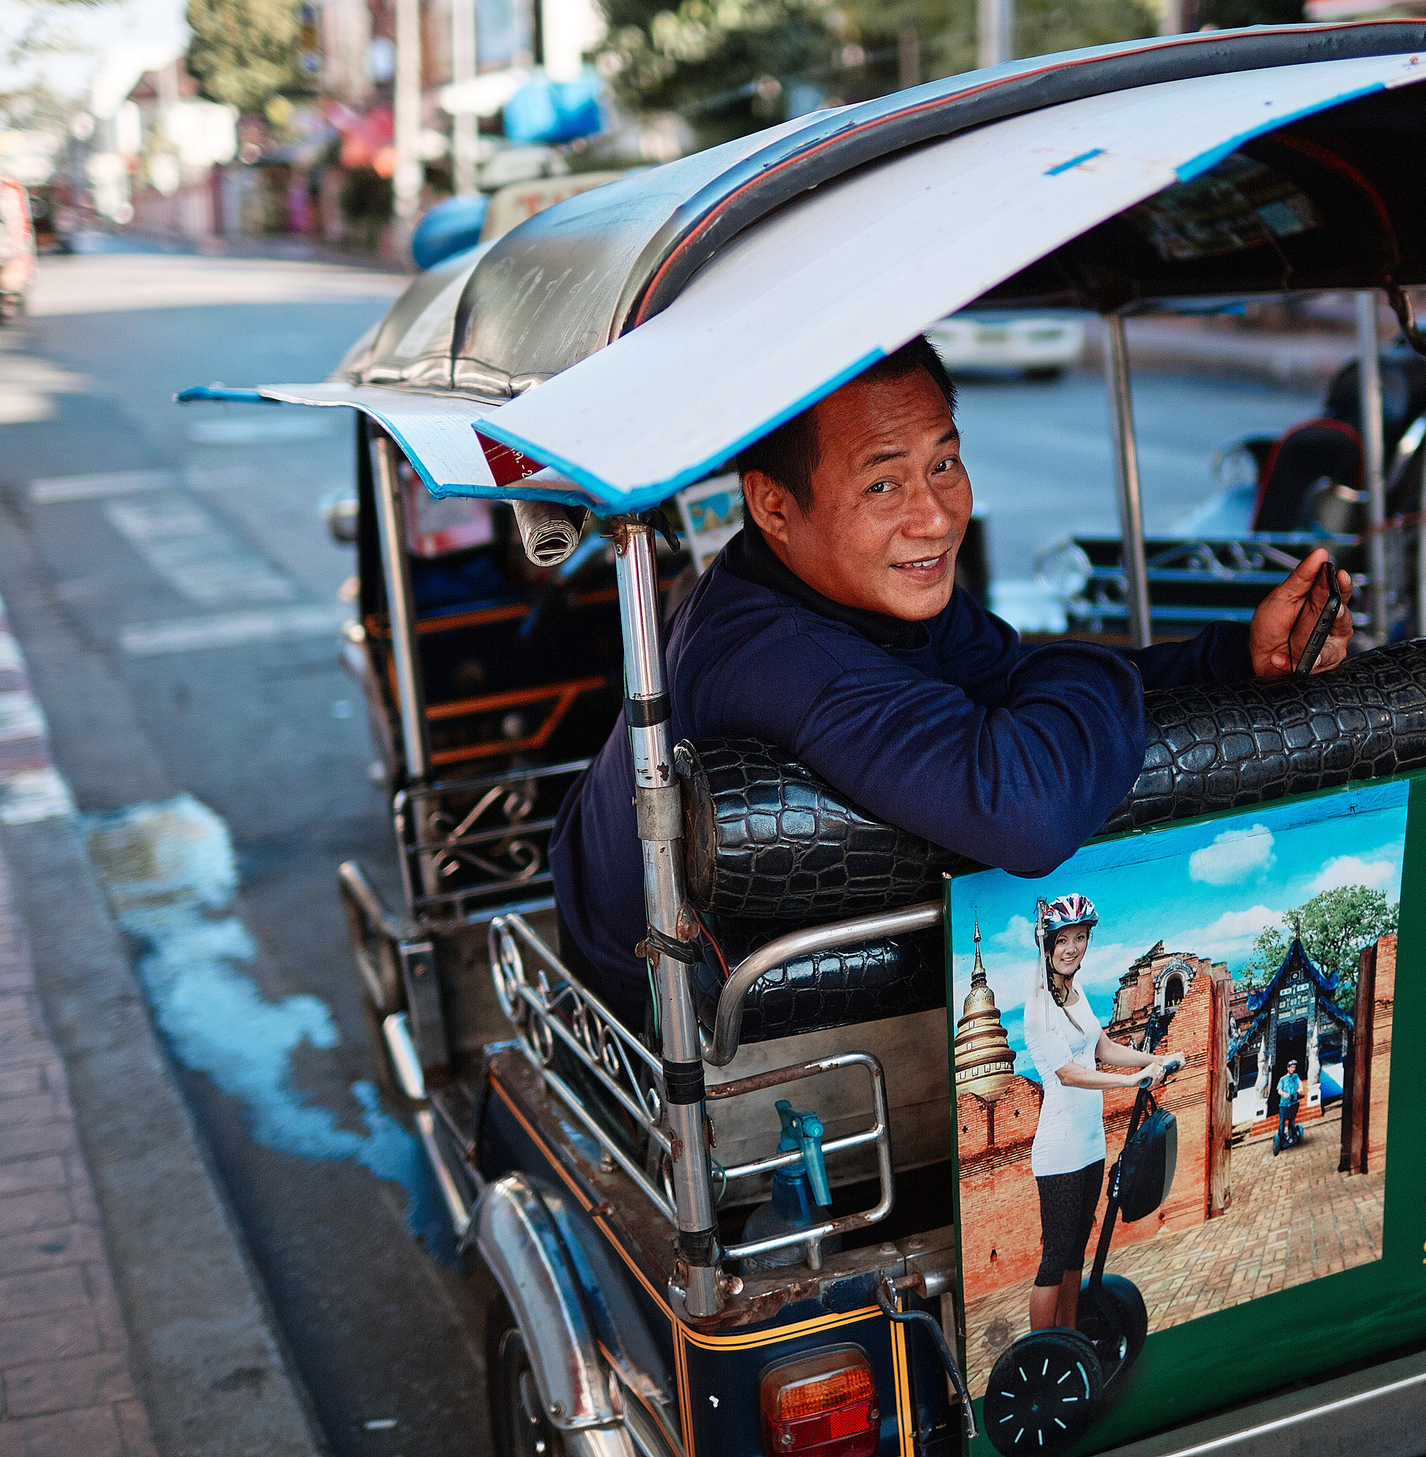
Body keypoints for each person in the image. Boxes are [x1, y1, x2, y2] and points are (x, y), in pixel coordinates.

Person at [550, 336, 1353, 1017]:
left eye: (945, 464)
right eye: (882, 483)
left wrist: (1231, 661)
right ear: (773, 505)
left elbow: (1015, 680)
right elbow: (1027, 807)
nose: (935, 516)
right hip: (652, 1011)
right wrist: (1079, 666)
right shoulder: (781, 655)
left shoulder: (860, 581)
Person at [1023, 895, 1178, 1332]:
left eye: (1080, 938)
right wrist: (1129, 1081)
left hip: (1090, 1143)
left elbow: (1102, 1048)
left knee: (1077, 1253)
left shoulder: (1076, 993)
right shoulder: (1040, 1006)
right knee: (1055, 1258)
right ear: (1048, 946)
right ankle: (1043, 1355)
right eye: (1064, 940)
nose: (1072, 948)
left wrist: (1155, 1059)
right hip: (1059, 1150)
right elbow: (1068, 1073)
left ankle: (1070, 1339)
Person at [1274, 1060, 1304, 1153]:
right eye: (1291, 1067)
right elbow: (1279, 1090)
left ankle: (1292, 1136)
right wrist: (1284, 1094)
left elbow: (1300, 1083)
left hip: (1293, 1102)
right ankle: (1282, 1139)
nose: (1293, 1069)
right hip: (1284, 1104)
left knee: (1292, 1120)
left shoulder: (1296, 1076)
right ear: (1288, 1068)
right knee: (1282, 1122)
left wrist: (1300, 1088)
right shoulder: (1282, 1079)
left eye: (1294, 1067)